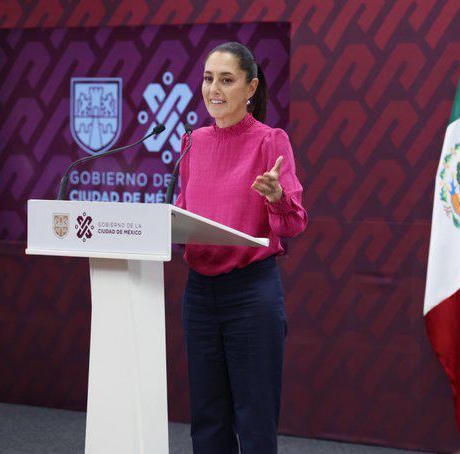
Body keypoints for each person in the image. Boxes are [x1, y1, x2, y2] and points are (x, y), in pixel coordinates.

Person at [175, 41, 308, 454]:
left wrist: (276, 197)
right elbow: (184, 210)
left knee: (254, 420)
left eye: (226, 80)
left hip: (250, 293)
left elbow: (294, 223)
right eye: (208, 79)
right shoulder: (192, 142)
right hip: (199, 294)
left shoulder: (270, 141)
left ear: (250, 88)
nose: (213, 89)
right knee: (207, 419)